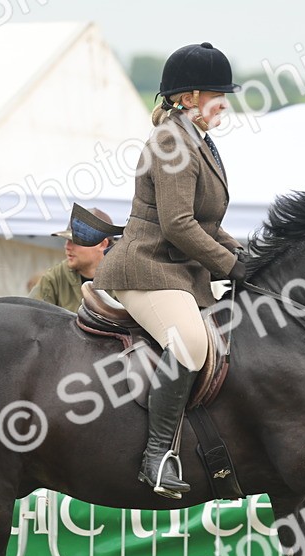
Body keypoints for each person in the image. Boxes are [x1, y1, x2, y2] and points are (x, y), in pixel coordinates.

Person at [92, 42, 246, 500]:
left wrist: (252, 257)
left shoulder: (199, 140)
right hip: (148, 267)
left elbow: (207, 224)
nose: (225, 104)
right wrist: (231, 265)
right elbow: (178, 225)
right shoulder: (170, 140)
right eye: (219, 95)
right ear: (190, 95)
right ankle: (157, 455)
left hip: (180, 272)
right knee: (191, 342)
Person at [31, 205, 122, 311]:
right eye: (67, 240)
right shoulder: (55, 277)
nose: (67, 246)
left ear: (102, 244)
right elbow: (31, 316)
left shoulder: (126, 278)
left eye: (76, 241)